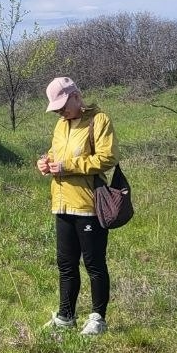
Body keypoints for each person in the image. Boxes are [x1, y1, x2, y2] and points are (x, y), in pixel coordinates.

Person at [37, 76, 117, 336]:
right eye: (56, 108)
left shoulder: (99, 120)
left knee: (94, 263)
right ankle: (65, 316)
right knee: (66, 264)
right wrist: (45, 162)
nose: (60, 112)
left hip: (88, 205)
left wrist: (67, 166)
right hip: (61, 204)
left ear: (76, 96)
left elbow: (107, 158)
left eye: (62, 106)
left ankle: (98, 319)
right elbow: (55, 153)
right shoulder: (61, 125)